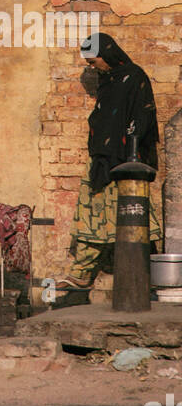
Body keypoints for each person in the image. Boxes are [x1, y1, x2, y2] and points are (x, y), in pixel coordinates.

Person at [56, 32, 161, 293]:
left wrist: (131, 155)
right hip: (102, 160)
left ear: (108, 53)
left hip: (125, 160)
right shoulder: (109, 81)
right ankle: (81, 272)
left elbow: (142, 116)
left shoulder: (134, 77)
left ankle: (151, 274)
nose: (93, 67)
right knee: (91, 214)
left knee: (133, 216)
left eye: (94, 61)